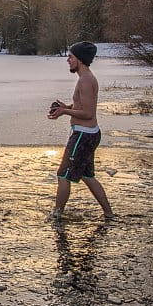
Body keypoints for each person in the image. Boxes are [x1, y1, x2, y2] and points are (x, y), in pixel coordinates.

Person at [48, 42, 114, 219]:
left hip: (83, 135)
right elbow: (82, 106)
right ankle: (109, 214)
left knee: (63, 175)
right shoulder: (86, 78)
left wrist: (64, 111)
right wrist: (66, 107)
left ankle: (57, 215)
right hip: (89, 134)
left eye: (71, 57)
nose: (68, 60)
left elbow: (88, 113)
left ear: (80, 59)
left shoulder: (86, 81)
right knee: (87, 176)